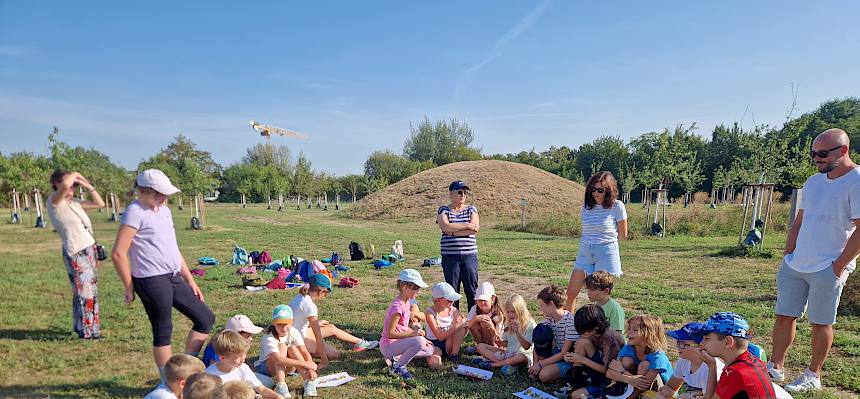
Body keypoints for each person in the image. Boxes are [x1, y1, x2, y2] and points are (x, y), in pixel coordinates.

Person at [769, 128, 859, 392]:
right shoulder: (812, 182)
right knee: (784, 315)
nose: (816, 159)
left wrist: (839, 266)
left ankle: (813, 376)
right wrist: (788, 254)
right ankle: (775, 367)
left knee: (821, 322)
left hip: (828, 266)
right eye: (813, 154)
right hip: (796, 263)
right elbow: (799, 221)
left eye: (822, 154)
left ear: (843, 151)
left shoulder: (857, 181)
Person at [112, 169, 215, 379]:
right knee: (163, 330)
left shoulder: (165, 211)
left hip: (173, 275)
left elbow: (172, 248)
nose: (164, 198)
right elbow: (118, 253)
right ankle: (168, 381)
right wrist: (129, 286)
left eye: (165, 194)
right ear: (144, 191)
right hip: (150, 279)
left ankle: (184, 370)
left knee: (205, 318)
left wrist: (189, 279)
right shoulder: (135, 211)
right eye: (160, 194)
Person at [46, 170, 105, 339]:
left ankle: (82, 327)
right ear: (56, 183)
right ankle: (90, 331)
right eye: (70, 184)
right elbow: (64, 186)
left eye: (75, 186)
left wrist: (86, 184)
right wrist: (76, 174)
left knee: (88, 290)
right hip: (75, 250)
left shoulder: (75, 203)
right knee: (85, 291)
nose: (72, 187)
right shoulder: (54, 201)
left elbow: (100, 204)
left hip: (88, 249)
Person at [566, 171, 627, 311]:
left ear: (609, 190)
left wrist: (604, 242)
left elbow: (623, 234)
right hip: (585, 251)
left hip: (605, 251)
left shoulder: (617, 206)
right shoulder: (587, 206)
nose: (595, 193)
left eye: (600, 190)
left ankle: (603, 329)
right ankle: (567, 327)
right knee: (571, 292)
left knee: (600, 297)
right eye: (593, 189)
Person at [289, 273, 378, 369]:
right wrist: (324, 360)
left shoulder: (299, 296)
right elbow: (317, 335)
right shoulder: (310, 305)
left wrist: (314, 324)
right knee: (334, 354)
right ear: (321, 291)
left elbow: (297, 320)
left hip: (296, 333)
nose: (325, 296)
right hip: (297, 340)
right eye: (326, 293)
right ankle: (301, 356)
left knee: (331, 328)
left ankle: (362, 343)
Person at [380, 269, 442, 386]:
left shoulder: (407, 302)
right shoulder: (397, 308)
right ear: (404, 287)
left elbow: (402, 327)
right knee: (419, 341)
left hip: (397, 343)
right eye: (416, 288)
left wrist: (415, 335)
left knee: (429, 348)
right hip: (388, 345)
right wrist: (413, 334)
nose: (418, 292)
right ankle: (397, 367)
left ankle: (396, 358)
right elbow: (389, 333)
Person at [694, 312, 777, 399]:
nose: (701, 343)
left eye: (707, 338)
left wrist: (711, 365)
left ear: (728, 342)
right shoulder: (756, 361)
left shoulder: (735, 372)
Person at [561, 304, 626, 399]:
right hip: (594, 369)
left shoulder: (611, 340)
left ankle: (595, 393)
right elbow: (583, 349)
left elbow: (607, 371)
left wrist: (582, 359)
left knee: (576, 395)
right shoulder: (593, 332)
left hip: (608, 379)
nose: (581, 333)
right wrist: (572, 357)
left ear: (595, 327)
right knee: (581, 342)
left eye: (584, 331)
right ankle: (573, 382)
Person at [254, 305, 319, 398]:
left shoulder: (293, 332)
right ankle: (281, 385)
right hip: (266, 368)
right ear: (273, 324)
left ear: (292, 322)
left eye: (286, 324)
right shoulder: (269, 336)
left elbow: (304, 352)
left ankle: (308, 380)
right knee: (282, 347)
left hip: (288, 366)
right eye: (279, 324)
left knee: (292, 348)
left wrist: (310, 369)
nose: (283, 328)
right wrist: (305, 364)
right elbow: (278, 360)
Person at [436, 180, 480, 311]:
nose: (463, 195)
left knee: (472, 288)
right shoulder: (443, 210)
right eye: (459, 192)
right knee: (452, 290)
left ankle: (474, 319)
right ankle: (454, 320)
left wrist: (452, 232)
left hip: (469, 256)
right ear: (451, 194)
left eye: (465, 192)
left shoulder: (472, 209)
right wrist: (466, 225)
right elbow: (444, 226)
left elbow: (475, 229)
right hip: (450, 256)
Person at [606, 314, 673, 398]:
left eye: (635, 330)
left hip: (659, 390)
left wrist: (622, 371)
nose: (629, 332)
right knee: (627, 360)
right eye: (629, 328)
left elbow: (644, 384)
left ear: (649, 334)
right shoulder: (628, 348)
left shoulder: (658, 355)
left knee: (644, 365)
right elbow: (610, 372)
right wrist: (630, 379)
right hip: (634, 383)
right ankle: (623, 391)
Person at [205, 330, 285, 399]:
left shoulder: (243, 368)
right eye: (238, 357)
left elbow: (261, 389)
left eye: (244, 354)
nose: (243, 358)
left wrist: (278, 397)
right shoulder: (210, 375)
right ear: (222, 358)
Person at [473, 294, 536, 376]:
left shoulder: (530, 324)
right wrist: (499, 341)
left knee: (520, 357)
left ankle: (492, 364)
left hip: (524, 355)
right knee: (480, 346)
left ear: (521, 311)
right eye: (508, 312)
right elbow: (506, 344)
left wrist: (517, 332)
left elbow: (527, 347)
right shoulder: (509, 322)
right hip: (509, 353)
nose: (510, 315)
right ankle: (507, 364)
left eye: (513, 312)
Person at [656, 322, 723, 399]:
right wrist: (666, 391)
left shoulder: (710, 369)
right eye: (678, 343)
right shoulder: (684, 361)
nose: (678, 347)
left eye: (683, 344)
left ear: (700, 346)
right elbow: (671, 386)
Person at [528, 285, 579, 383]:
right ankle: (544, 367)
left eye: (542, 305)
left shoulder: (570, 322)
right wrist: (535, 364)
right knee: (540, 332)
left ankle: (567, 371)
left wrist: (540, 364)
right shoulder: (549, 319)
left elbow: (564, 353)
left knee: (543, 375)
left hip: (567, 358)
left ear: (551, 304)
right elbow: (537, 341)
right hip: (555, 351)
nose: (540, 308)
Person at [424, 282, 467, 362]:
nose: (452, 302)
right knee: (434, 363)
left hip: (449, 342)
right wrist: (457, 325)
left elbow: (462, 329)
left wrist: (464, 324)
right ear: (438, 300)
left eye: (453, 300)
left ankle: (454, 354)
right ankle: (436, 355)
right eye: (449, 300)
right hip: (434, 344)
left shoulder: (453, 310)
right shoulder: (430, 313)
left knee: (460, 327)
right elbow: (439, 337)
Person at [465, 281, 505, 347]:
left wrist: (491, 326)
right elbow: (466, 327)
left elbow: (499, 336)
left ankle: (491, 347)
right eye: (480, 300)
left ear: (493, 299)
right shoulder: (474, 309)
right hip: (482, 338)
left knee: (485, 323)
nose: (482, 303)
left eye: (485, 300)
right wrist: (475, 319)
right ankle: (481, 346)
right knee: (473, 323)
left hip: (497, 342)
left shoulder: (497, 313)